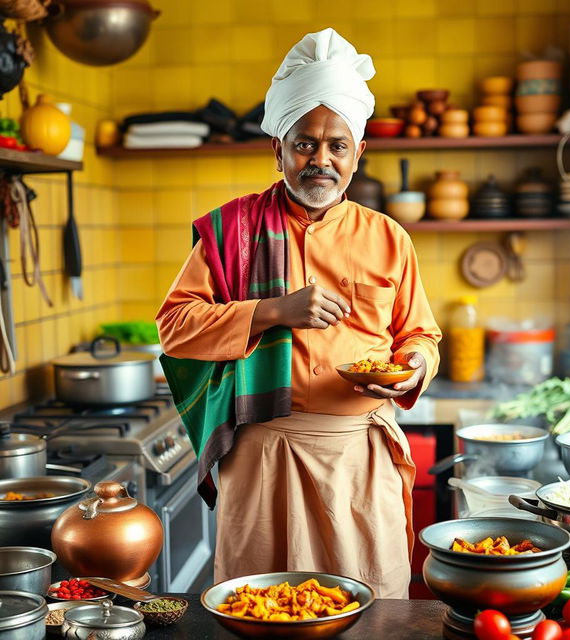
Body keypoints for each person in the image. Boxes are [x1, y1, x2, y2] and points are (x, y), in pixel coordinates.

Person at [156, 27, 441, 599]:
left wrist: (413, 365)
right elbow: (175, 328)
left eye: (337, 145)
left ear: (358, 154)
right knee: (258, 607)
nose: (321, 161)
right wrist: (270, 311)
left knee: (372, 610)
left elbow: (421, 334)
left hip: (359, 455)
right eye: (305, 144)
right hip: (262, 457)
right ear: (278, 148)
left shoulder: (388, 238)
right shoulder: (230, 230)